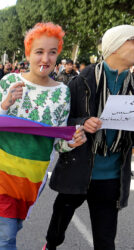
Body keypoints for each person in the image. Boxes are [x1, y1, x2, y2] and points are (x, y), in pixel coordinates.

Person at [0, 22, 86, 250]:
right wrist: (5, 104)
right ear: (28, 53)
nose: (45, 59)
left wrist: (73, 140)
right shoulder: (9, 82)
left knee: (15, 225)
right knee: (7, 236)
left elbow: (59, 144)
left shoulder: (62, 91)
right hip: (4, 170)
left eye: (52, 52)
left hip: (35, 175)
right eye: (39, 52)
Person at [43, 24, 134, 250]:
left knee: (105, 241)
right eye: (132, 41)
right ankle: (50, 246)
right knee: (58, 226)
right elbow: (61, 122)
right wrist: (82, 122)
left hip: (112, 176)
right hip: (79, 169)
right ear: (114, 47)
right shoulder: (81, 81)